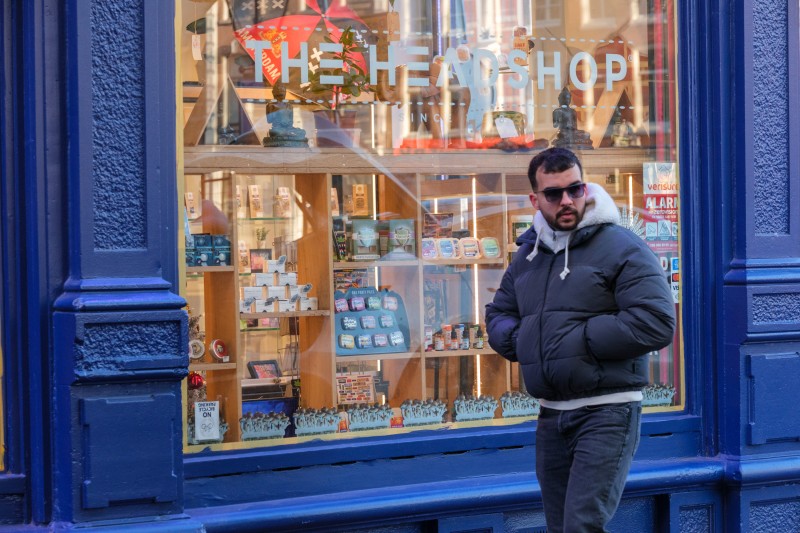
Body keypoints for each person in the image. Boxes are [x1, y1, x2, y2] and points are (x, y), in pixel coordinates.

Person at [485, 147, 675, 532]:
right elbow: (499, 315)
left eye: (575, 189)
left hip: (608, 411)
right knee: (562, 527)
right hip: (551, 413)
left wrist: (577, 340)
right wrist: (526, 340)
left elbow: (656, 321)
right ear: (535, 199)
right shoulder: (528, 255)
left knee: (580, 526)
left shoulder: (622, 245)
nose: (567, 201)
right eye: (554, 194)